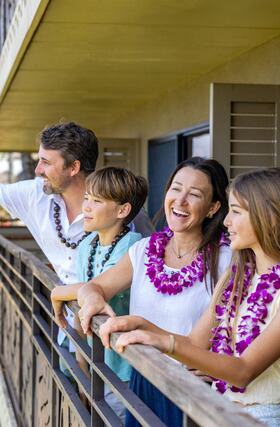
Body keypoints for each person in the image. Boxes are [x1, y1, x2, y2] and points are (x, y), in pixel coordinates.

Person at [101, 168, 280, 427]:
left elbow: (243, 371)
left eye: (236, 211)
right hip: (212, 409)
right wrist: (138, 324)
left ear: (269, 217)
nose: (226, 222)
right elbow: (195, 341)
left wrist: (165, 343)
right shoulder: (236, 277)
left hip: (261, 417)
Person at [51, 157, 232, 426]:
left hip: (192, 391)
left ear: (213, 207)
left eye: (194, 195)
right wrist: (91, 298)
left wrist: (219, 362)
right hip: (142, 379)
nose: (180, 201)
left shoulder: (227, 260)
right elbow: (97, 285)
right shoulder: (144, 250)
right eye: (176, 189)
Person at [0, 122, 154, 350]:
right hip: (66, 329)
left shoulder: (128, 218)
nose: (37, 169)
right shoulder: (34, 194)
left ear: (73, 167)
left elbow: (152, 266)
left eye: (46, 162)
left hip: (115, 337)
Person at [51, 166, 148, 422]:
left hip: (121, 360)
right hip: (93, 354)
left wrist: (59, 291)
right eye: (86, 198)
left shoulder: (132, 246)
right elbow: (85, 297)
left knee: (114, 417)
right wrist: (83, 366)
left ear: (122, 211)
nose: (86, 207)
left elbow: (94, 290)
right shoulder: (87, 244)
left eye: (97, 201)